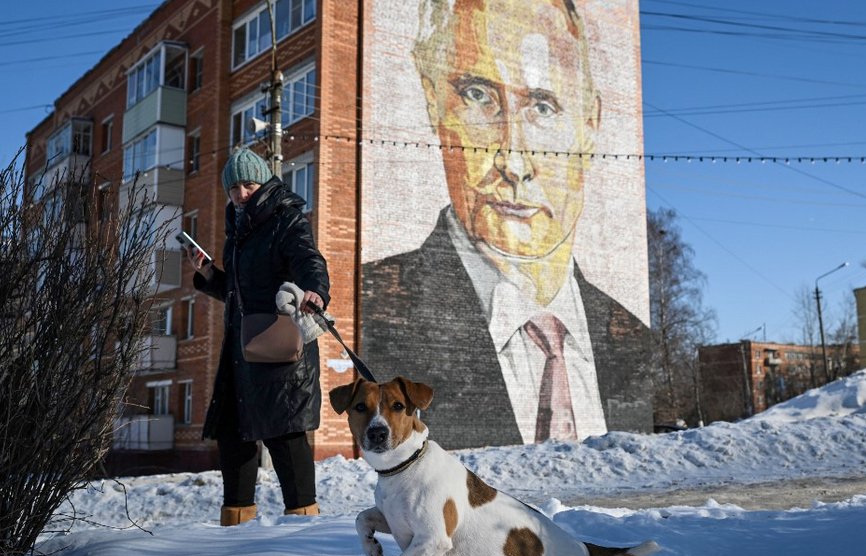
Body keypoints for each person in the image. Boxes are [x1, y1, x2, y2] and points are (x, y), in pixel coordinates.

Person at [361, 0, 652, 450]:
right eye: (478, 95)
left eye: (543, 106)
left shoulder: (631, 335)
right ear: (433, 100)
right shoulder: (378, 307)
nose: (513, 162)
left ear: (590, 124)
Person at [188, 148, 330, 526]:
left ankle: (303, 524)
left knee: (285, 434)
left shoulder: (286, 219)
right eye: (233, 187)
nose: (241, 193)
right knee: (234, 434)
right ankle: (236, 525)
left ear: (264, 182)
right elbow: (240, 293)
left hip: (278, 347)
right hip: (241, 349)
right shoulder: (237, 232)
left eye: (248, 184)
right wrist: (208, 275)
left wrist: (315, 290)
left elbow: (309, 260)